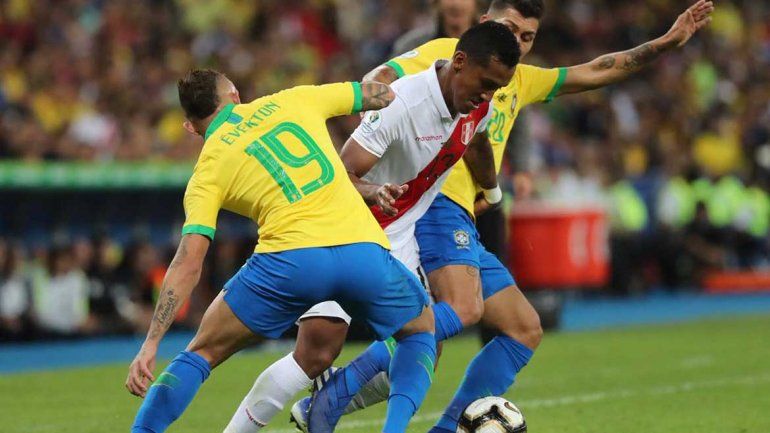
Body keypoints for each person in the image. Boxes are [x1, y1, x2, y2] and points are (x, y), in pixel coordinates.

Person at [293, 1, 715, 433]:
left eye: (528, 36)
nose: (518, 41)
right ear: (485, 23)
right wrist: (373, 116)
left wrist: (666, 43)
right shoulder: (449, 52)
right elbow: (381, 77)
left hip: (466, 215)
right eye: (510, 29)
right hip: (433, 204)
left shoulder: (519, 79)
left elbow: (599, 69)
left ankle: (401, 417)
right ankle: (337, 393)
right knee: (456, 312)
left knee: (522, 328)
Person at [224, 21, 519, 433]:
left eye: (496, 89)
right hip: (343, 232)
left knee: (422, 341)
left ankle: (338, 410)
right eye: (485, 83)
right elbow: (342, 172)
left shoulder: (476, 106)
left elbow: (478, 141)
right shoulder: (403, 103)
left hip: (396, 238)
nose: (487, 96)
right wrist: (374, 190)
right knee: (315, 354)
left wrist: (492, 190)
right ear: (459, 62)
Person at [125, 69, 438, 433]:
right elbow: (380, 95)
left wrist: (151, 343)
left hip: (289, 262)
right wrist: (392, 79)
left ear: (191, 128)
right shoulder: (292, 99)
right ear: (235, 95)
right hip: (361, 250)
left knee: (201, 353)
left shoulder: (206, 171)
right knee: (419, 331)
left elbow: (188, 263)